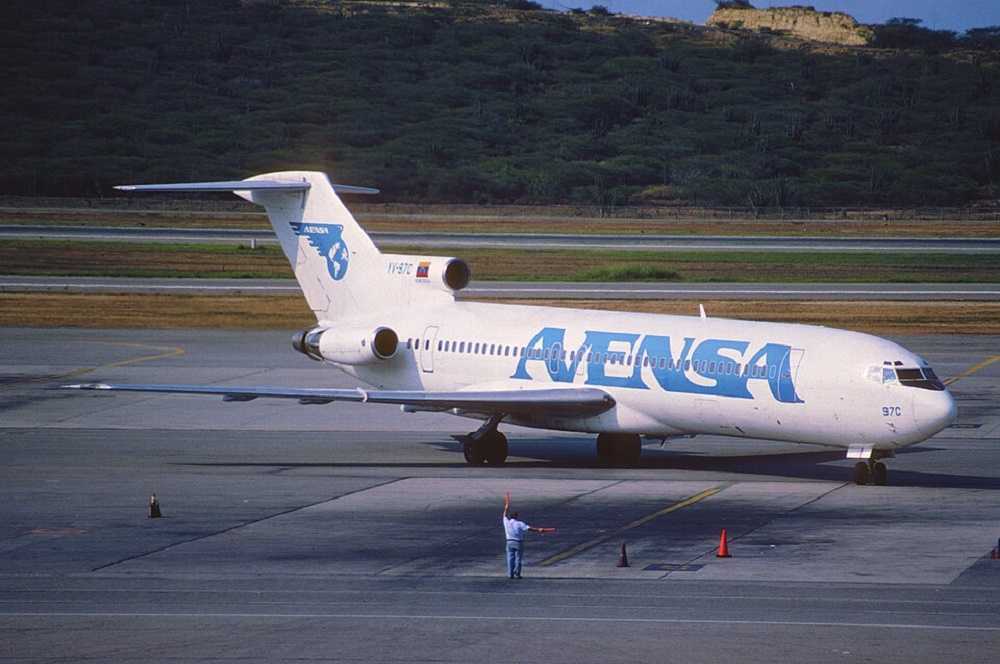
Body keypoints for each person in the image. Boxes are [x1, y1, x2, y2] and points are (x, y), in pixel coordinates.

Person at [502, 492, 552, 579]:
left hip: (509, 542)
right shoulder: (520, 523)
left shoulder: (506, 522)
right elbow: (530, 529)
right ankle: (517, 573)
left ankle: (510, 574)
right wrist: (539, 530)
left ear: (510, 516)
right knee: (518, 559)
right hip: (518, 542)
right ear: (517, 516)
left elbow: (504, 514)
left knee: (510, 558)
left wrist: (506, 506)